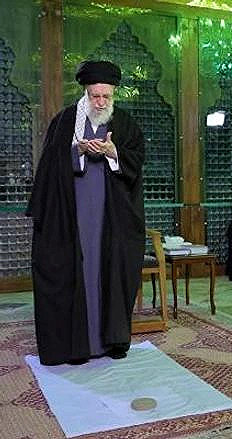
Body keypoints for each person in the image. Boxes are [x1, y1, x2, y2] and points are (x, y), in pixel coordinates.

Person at [26, 60, 145, 366]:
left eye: (106, 96)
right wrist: (76, 151)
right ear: (86, 93)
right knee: (71, 273)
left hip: (110, 219)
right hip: (71, 218)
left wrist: (113, 152)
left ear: (113, 94)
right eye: (95, 96)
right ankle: (75, 346)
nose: (101, 102)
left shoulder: (125, 124)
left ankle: (108, 342)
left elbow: (136, 162)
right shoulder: (65, 121)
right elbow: (48, 166)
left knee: (109, 271)